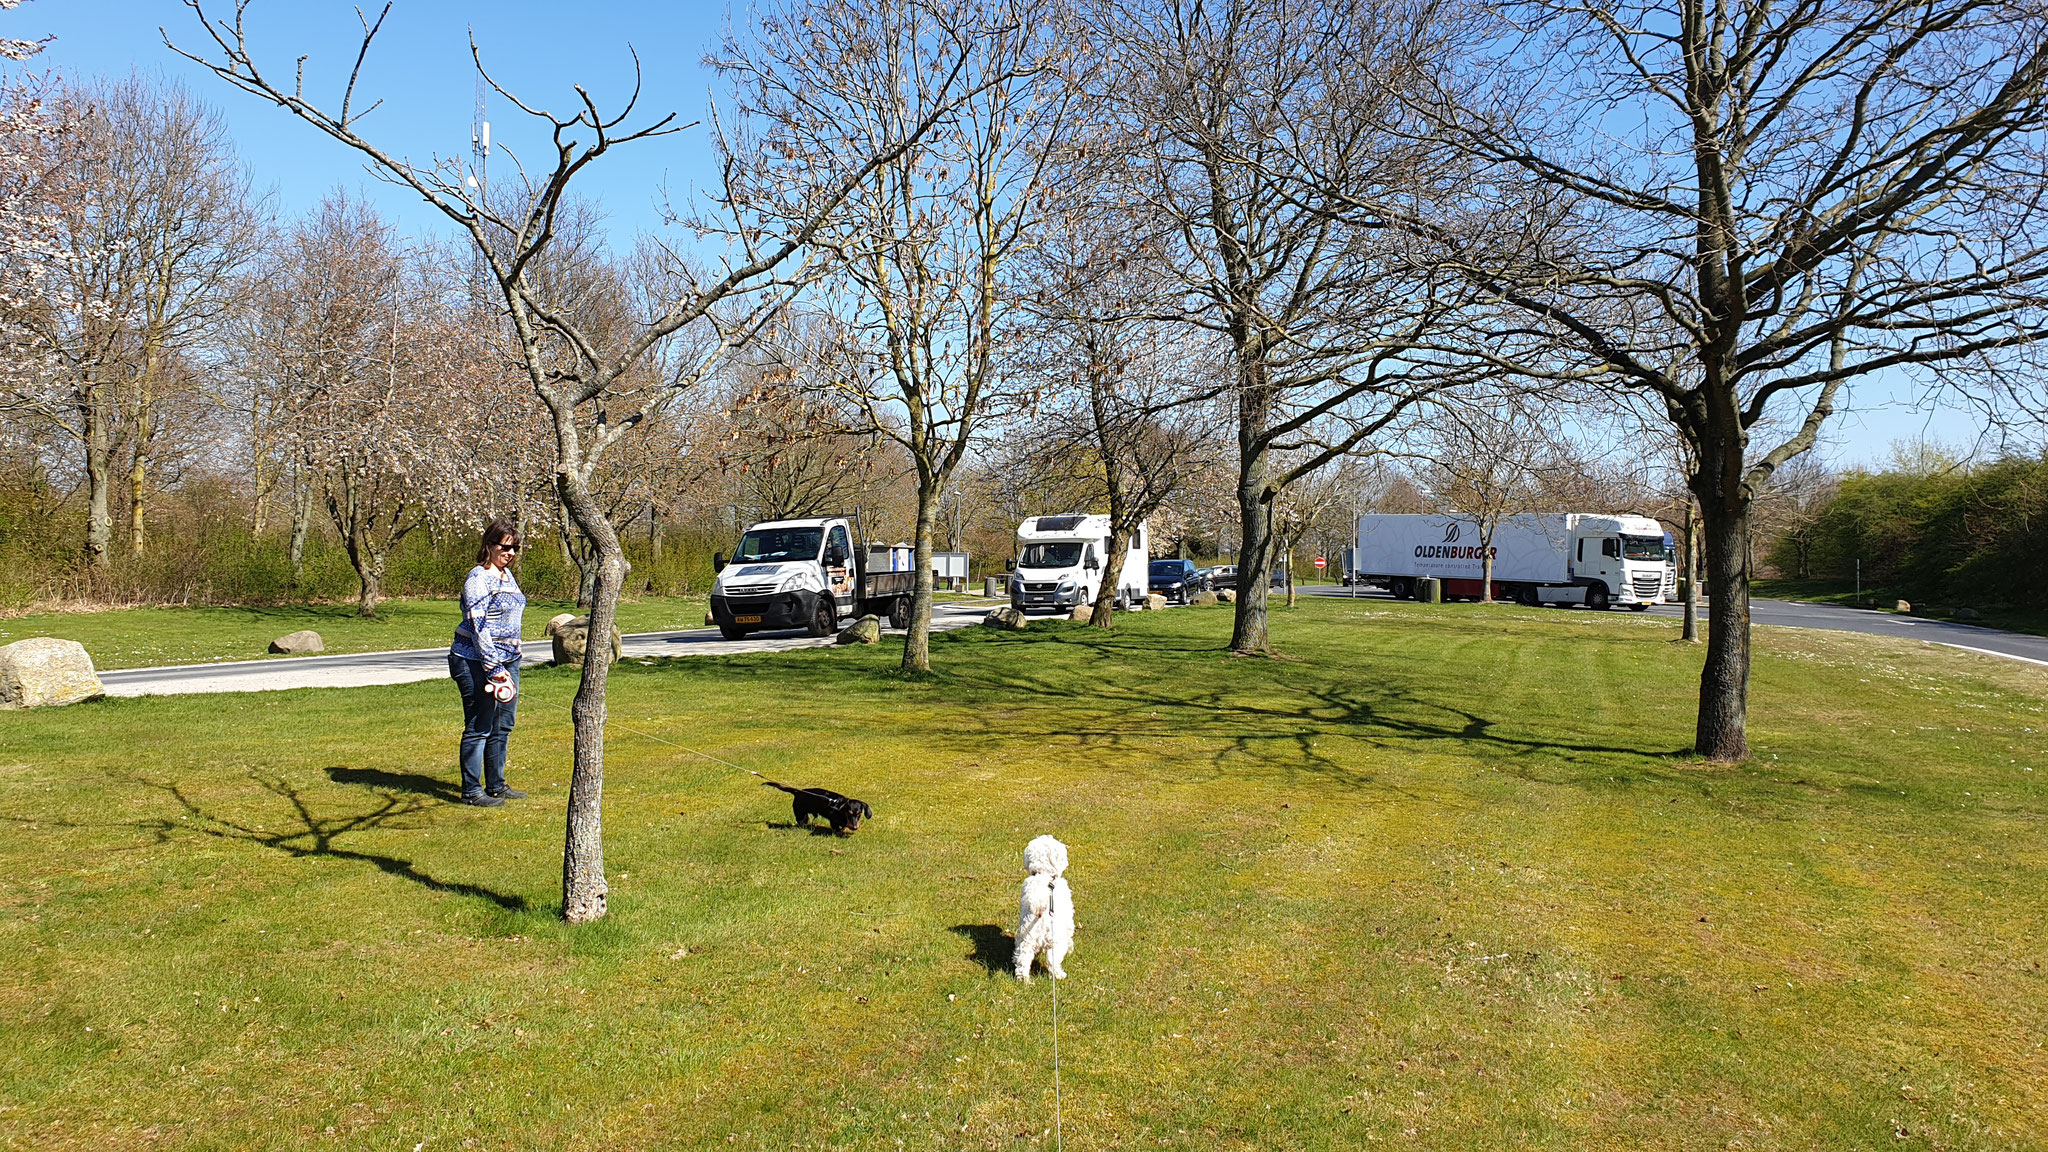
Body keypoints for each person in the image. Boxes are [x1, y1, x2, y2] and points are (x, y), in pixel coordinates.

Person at [449, 519, 529, 807]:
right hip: (473, 660)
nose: (510, 553)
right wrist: (493, 668)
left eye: (515, 548)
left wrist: (509, 658)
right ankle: (471, 791)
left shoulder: (507, 577)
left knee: (503, 723)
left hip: (509, 660)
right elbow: (479, 626)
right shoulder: (478, 578)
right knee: (479, 724)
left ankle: (496, 784)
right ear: (489, 545)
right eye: (505, 546)